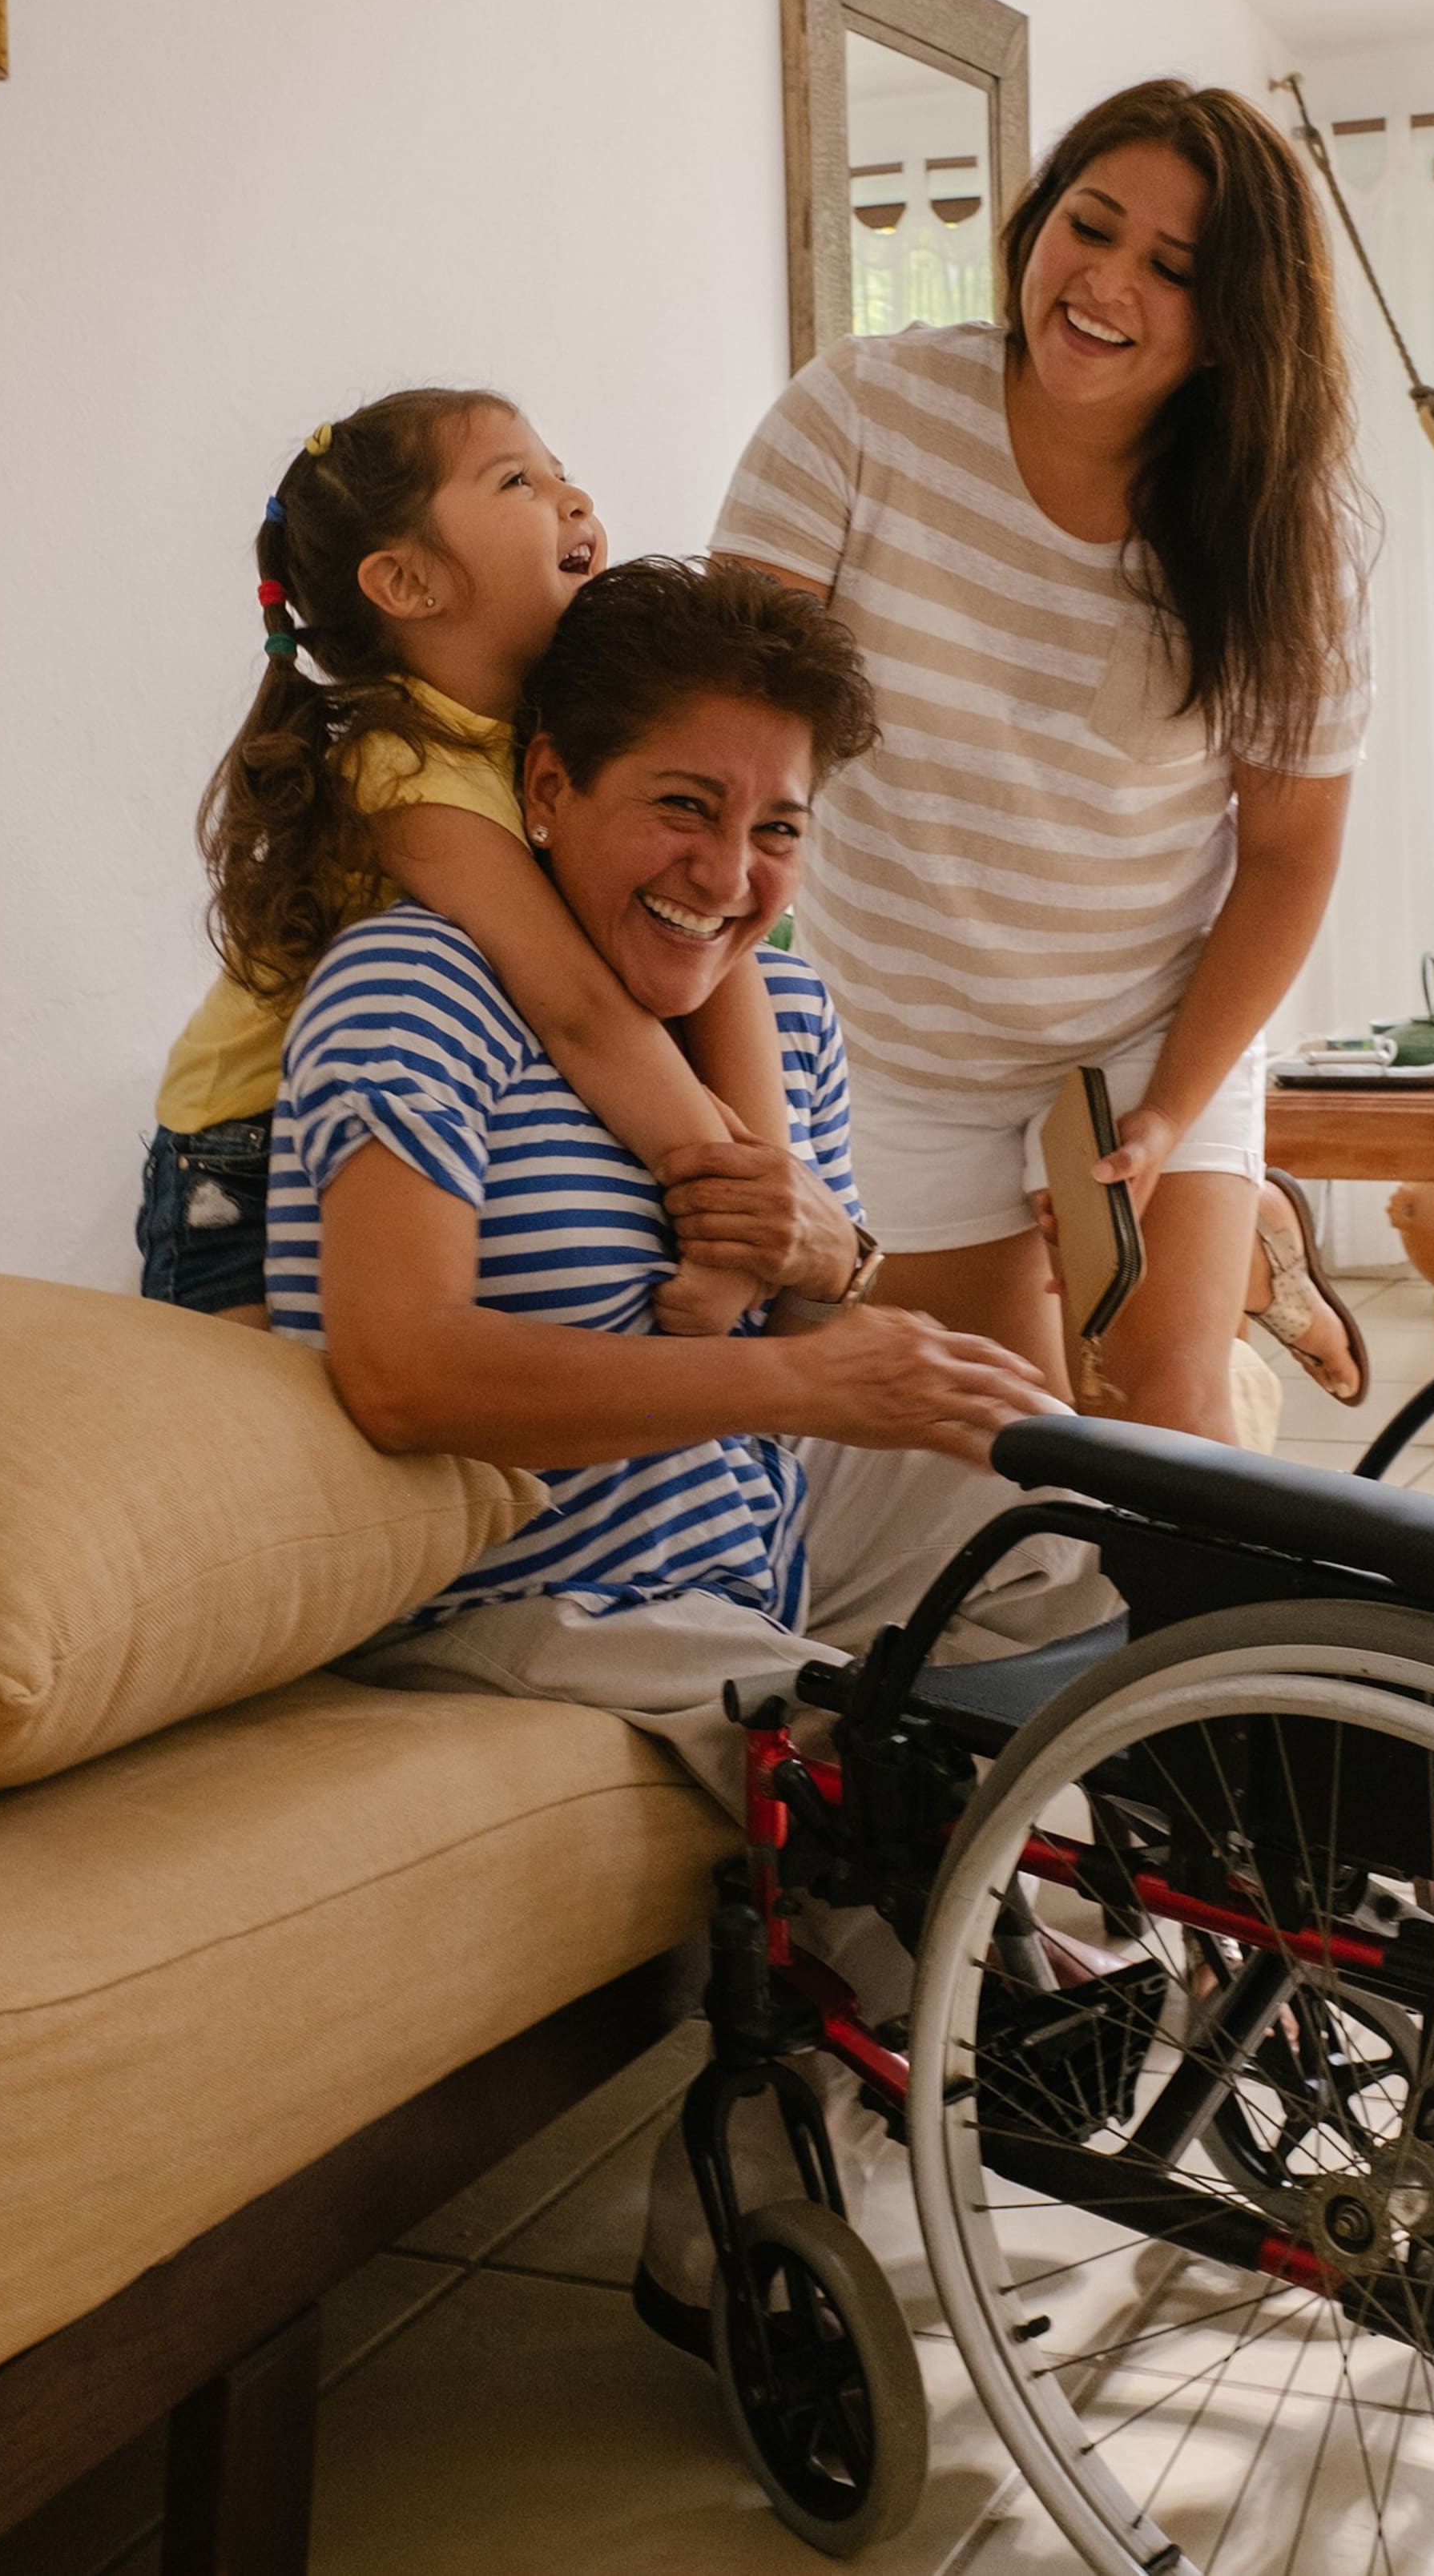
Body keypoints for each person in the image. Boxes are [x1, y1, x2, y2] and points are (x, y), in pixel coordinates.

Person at [267, 557, 1118, 2344]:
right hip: (507, 1572)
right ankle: (796, 2142)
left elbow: (807, 1322)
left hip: (737, 1521)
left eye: (776, 827)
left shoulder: (776, 1015)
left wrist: (837, 1275)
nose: (728, 874)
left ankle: (1092, 1924)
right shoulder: (412, 985)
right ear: (551, 786)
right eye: (682, 805)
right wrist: (800, 1385)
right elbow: (403, 1371)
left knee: (1080, 1525)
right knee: (847, 1746)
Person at [714, 78, 1375, 1436]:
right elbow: (727, 727)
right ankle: (1249, 1232)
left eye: (1171, 269)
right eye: (1091, 224)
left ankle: (1227, 1216)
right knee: (1008, 1456)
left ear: (1231, 330)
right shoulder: (858, 416)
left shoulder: (1280, 535)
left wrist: (1171, 1116)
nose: (1104, 280)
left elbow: (1291, 854)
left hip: (1143, 1028)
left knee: (1163, 1435)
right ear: (1036, 221)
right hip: (898, 1048)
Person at [142, 386, 787, 1338]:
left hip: (385, 1115)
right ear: (407, 585)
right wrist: (740, 1228)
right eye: (519, 480)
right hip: (240, 1152)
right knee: (274, 1456)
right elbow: (578, 1008)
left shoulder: (553, 730)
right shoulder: (402, 773)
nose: (574, 499)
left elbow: (726, 962)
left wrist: (764, 1202)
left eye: (563, 472)